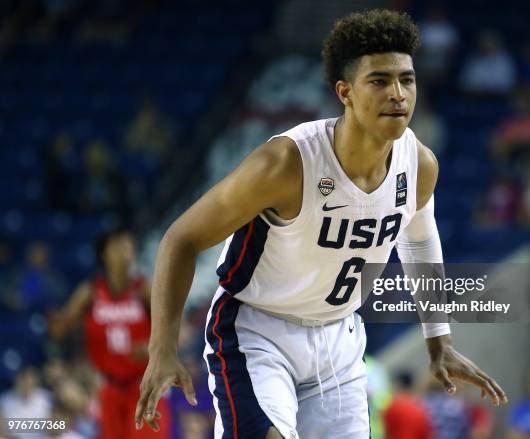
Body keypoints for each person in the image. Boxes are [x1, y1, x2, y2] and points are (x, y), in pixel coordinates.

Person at [135, 9, 507, 439]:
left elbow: (420, 242)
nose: (399, 94)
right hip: (259, 331)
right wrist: (161, 348)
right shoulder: (286, 163)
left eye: (407, 79)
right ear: (345, 92)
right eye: (380, 81)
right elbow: (182, 238)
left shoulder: (419, 163)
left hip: (341, 340)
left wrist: (439, 340)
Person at [50, 228, 171, 439]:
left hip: (144, 385)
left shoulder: (143, 288)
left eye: (129, 246)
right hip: (109, 387)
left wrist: (155, 344)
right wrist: (58, 322)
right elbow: (62, 328)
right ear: (105, 253)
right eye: (119, 245)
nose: (126, 250)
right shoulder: (90, 291)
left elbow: (173, 327)